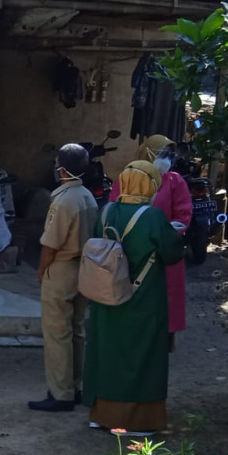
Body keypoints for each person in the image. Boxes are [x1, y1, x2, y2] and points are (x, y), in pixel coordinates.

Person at [85, 161, 186, 436]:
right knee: (143, 355)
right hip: (143, 299)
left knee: (107, 353)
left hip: (107, 296)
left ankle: (101, 414)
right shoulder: (153, 217)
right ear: (149, 184)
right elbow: (173, 253)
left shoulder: (106, 211)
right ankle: (138, 421)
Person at [30, 144, 99, 413]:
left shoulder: (63, 199)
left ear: (61, 168)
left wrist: (41, 270)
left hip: (61, 268)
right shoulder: (87, 196)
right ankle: (75, 386)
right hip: (83, 267)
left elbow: (51, 244)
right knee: (77, 329)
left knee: (57, 332)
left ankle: (60, 393)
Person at [110, 134, 192, 344]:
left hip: (163, 250)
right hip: (130, 249)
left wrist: (168, 233)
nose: (165, 159)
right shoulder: (127, 178)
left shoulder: (175, 181)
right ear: (147, 153)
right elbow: (114, 210)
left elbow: (183, 216)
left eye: (169, 155)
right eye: (161, 154)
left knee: (167, 295)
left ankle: (165, 337)